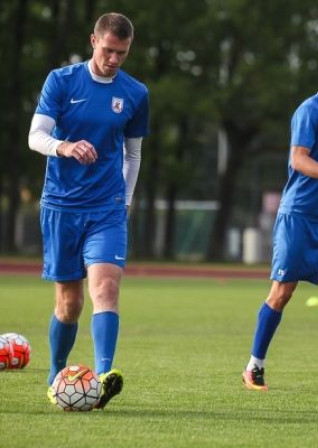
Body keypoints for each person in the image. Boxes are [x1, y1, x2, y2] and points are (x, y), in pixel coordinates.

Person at [28, 12, 149, 409]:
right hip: (61, 206)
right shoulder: (61, 81)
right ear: (93, 40)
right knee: (70, 303)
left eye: (123, 53)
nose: (114, 59)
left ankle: (101, 377)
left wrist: (126, 200)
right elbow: (36, 135)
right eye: (109, 50)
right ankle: (56, 373)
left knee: (106, 289)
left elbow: (132, 156)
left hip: (107, 207)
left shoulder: (135, 93)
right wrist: (64, 146)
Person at [242, 46, 318, 394]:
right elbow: (299, 160)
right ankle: (255, 366)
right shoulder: (309, 110)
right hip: (299, 216)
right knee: (282, 293)